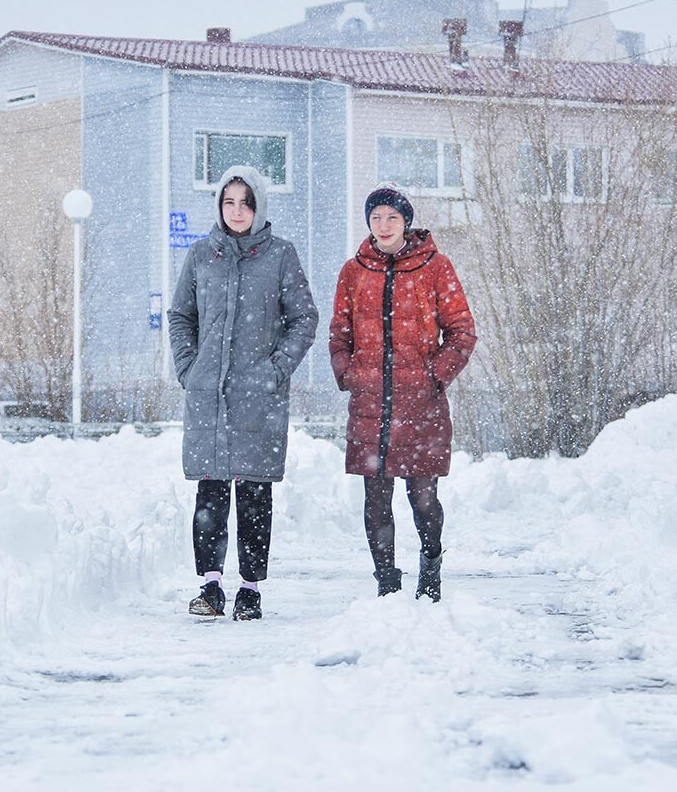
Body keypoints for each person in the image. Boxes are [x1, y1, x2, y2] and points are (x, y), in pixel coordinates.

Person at [168, 165, 319, 621]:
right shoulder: (200, 256)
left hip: (259, 398)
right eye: (229, 202)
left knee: (254, 496)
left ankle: (250, 589)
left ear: (259, 206)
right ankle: (211, 588)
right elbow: (180, 316)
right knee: (210, 495)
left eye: (246, 202)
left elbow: (304, 319)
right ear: (219, 205)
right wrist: (189, 369)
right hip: (208, 396)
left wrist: (274, 371)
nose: (238, 211)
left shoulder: (280, 256)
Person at [329, 184, 477, 601]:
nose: (384, 225)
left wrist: (435, 376)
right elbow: (339, 336)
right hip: (369, 407)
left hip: (421, 407)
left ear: (406, 223)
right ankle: (387, 584)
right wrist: (350, 374)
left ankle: (431, 570)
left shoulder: (435, 267)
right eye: (376, 217)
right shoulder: (353, 272)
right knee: (376, 501)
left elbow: (462, 332)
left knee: (423, 499)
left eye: (392, 217)